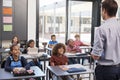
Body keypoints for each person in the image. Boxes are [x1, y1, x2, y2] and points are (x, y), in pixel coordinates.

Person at [91, 0, 120, 80]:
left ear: (104, 10)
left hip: (105, 70)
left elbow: (96, 56)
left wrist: (92, 54)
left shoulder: (101, 29)